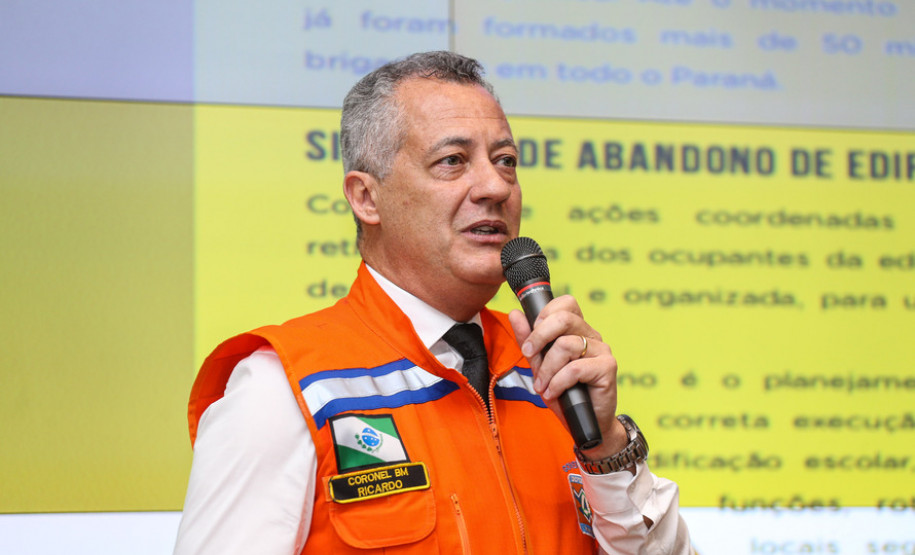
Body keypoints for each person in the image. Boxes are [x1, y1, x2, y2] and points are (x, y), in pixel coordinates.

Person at [174, 51, 693, 554]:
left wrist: (605, 446)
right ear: (366, 197)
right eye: (452, 161)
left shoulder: (552, 371)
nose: (494, 186)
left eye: (506, 161)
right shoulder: (285, 388)